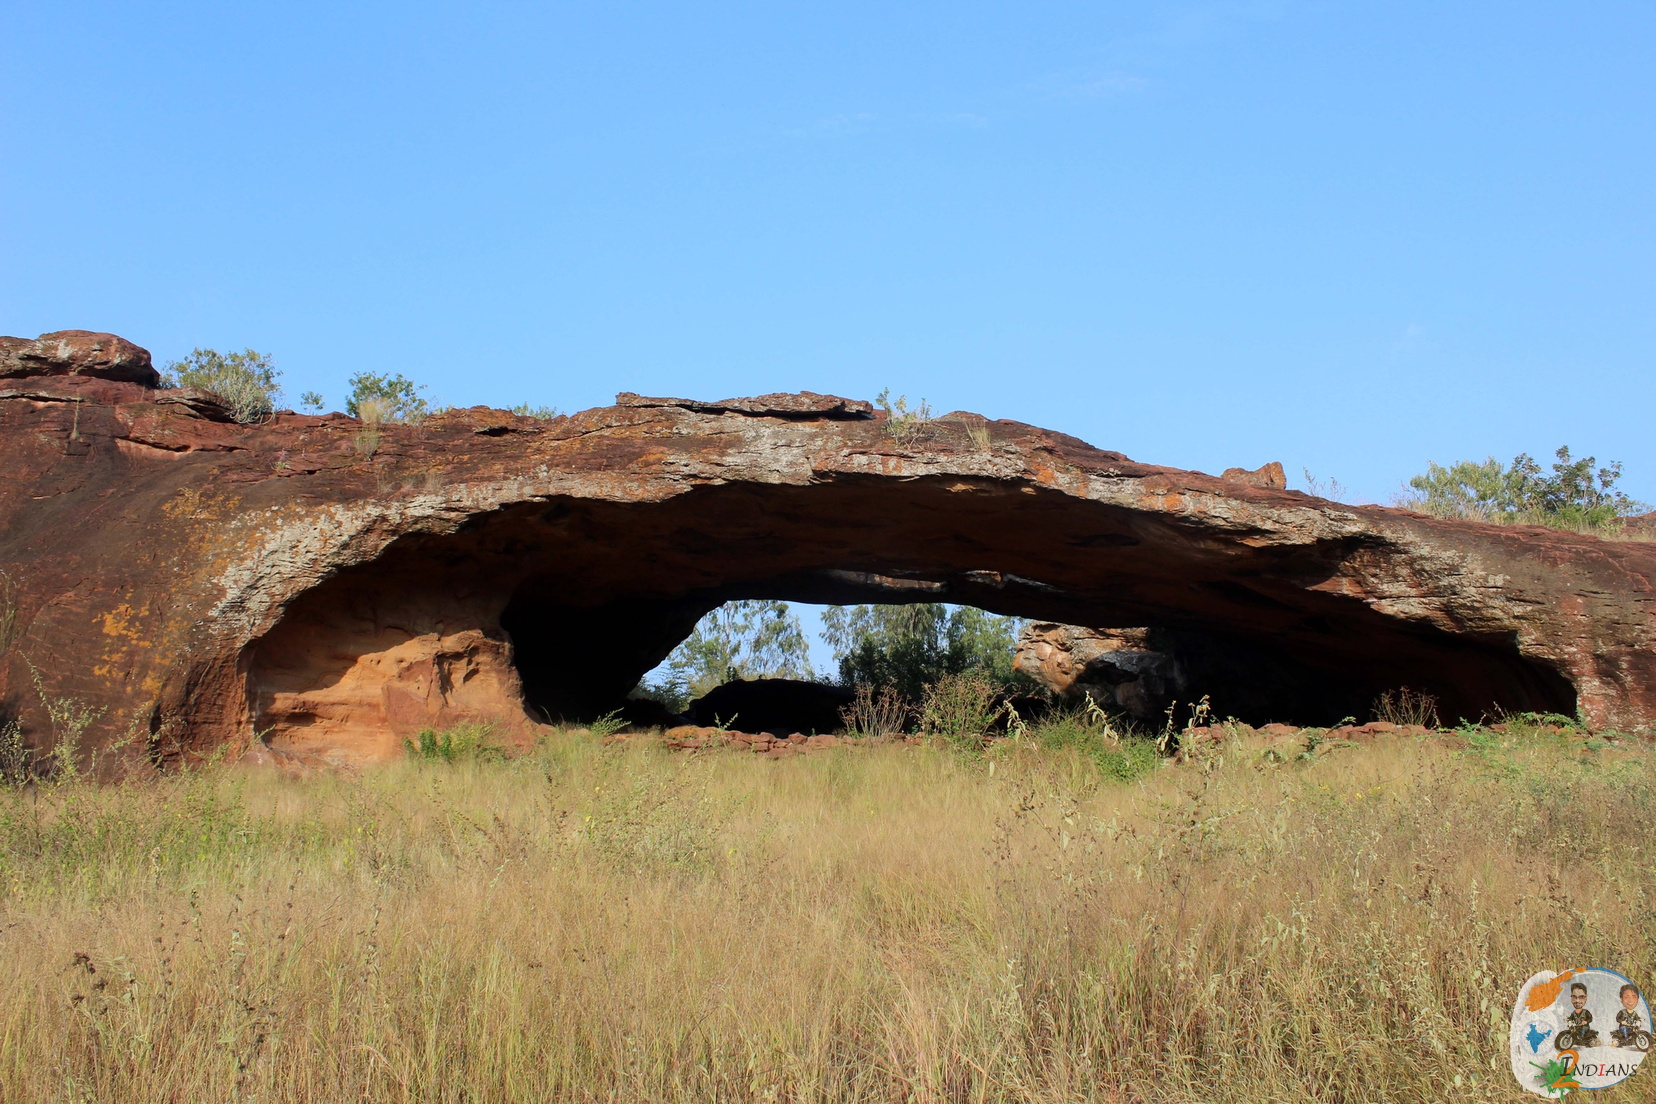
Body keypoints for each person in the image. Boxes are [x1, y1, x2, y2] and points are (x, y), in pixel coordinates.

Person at [1565, 982, 1600, 1048]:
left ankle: (1581, 1038)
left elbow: (1590, 1018)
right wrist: (1568, 1019)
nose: (1577, 1000)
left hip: (1584, 1027)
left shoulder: (1586, 1012)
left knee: (1583, 1029)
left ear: (1586, 997)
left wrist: (1586, 1021)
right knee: (1572, 1028)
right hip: (1577, 1026)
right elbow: (1571, 1018)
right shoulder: (1574, 1013)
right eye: (1574, 997)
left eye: (1581, 997)